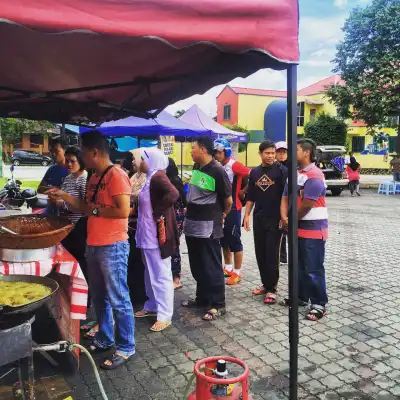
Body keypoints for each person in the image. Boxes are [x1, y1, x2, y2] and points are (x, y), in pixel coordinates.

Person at [47, 130, 135, 369]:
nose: (80, 157)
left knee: (118, 297)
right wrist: (63, 195)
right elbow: (86, 208)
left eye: (83, 152)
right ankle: (105, 337)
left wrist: (94, 210)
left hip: (113, 246)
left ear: (94, 152)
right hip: (94, 244)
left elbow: (123, 211)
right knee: (99, 297)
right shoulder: (95, 177)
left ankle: (126, 346)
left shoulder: (116, 175)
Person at [182, 136, 232, 321]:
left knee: (211, 265)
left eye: (193, 148)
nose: (191, 151)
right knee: (197, 264)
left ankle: (218, 304)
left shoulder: (218, 171)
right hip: (192, 224)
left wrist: (221, 215)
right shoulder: (197, 167)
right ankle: (202, 298)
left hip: (208, 226)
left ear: (203, 149)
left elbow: (228, 201)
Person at [281, 138, 328, 321]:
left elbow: (308, 203)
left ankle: (318, 304)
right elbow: (285, 197)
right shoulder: (295, 173)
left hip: (314, 231)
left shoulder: (315, 174)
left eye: (296, 149)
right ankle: (300, 297)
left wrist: (291, 220)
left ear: (306, 152)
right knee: (299, 266)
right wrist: (284, 217)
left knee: (313, 268)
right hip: (297, 228)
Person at [134, 148, 179, 332]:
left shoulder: (158, 176)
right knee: (149, 272)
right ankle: (152, 305)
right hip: (147, 234)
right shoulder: (150, 177)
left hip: (156, 235)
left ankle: (165, 314)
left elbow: (174, 194)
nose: (138, 162)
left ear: (151, 161)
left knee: (161, 274)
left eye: (142, 160)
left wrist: (158, 211)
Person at [243, 140, 287, 305]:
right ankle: (265, 284)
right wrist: (246, 215)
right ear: (260, 153)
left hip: (275, 219)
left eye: (273, 152)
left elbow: (286, 197)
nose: (271, 156)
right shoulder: (254, 172)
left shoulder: (282, 171)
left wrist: (284, 217)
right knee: (260, 253)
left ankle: (272, 289)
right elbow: (251, 196)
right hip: (259, 217)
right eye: (267, 153)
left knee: (272, 254)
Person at [213, 138, 250, 285]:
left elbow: (252, 174)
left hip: (234, 209)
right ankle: (228, 268)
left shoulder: (234, 165)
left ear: (226, 151)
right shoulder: (216, 166)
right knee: (223, 240)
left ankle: (237, 272)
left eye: (220, 151)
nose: (217, 154)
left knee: (235, 240)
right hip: (220, 208)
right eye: (216, 151)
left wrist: (243, 191)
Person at [127, 148, 148, 306]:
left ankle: (141, 296)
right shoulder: (134, 176)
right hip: (130, 224)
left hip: (140, 225)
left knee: (140, 262)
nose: (133, 161)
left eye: (135, 158)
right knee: (132, 261)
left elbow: (135, 195)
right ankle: (134, 293)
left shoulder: (148, 178)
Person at [166, 158, 187, 290]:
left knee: (173, 246)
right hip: (177, 216)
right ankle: (174, 275)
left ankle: (176, 278)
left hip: (174, 217)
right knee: (173, 245)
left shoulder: (171, 181)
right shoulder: (176, 180)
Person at [38, 138, 69, 215]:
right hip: (51, 210)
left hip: (67, 212)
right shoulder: (52, 169)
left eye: (56, 151)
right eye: (51, 151)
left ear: (65, 150)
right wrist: (53, 189)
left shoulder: (72, 169)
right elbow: (39, 188)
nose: (53, 154)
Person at [275, 141, 288, 265]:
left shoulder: (291, 168)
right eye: (280, 152)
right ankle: (282, 257)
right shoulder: (274, 168)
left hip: (289, 204)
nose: (282, 154)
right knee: (281, 232)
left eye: (284, 152)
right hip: (278, 204)